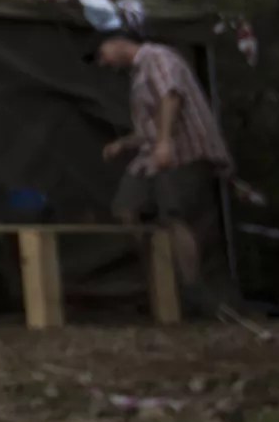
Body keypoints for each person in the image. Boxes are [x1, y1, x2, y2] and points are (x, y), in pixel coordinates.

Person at [88, 30, 233, 301]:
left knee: (174, 215)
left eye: (102, 55)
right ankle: (160, 275)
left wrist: (165, 142)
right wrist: (124, 143)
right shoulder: (137, 74)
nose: (104, 63)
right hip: (151, 156)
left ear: (116, 43)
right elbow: (151, 125)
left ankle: (192, 289)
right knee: (125, 208)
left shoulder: (158, 57)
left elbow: (171, 97)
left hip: (183, 151)